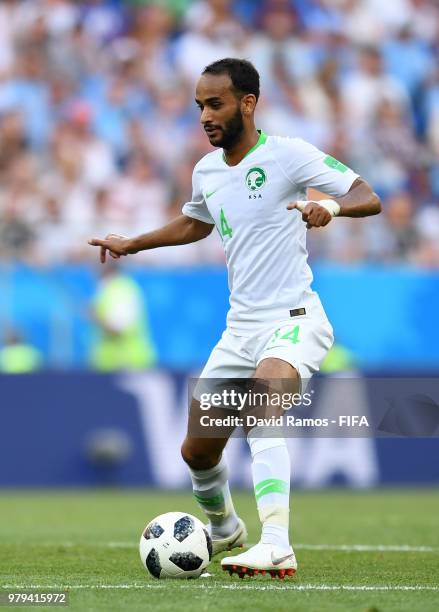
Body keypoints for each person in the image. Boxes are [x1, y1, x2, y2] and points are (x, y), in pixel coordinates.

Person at [89, 58, 381, 578]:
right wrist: (134, 242)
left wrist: (330, 209)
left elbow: (367, 195)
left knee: (261, 404)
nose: (204, 115)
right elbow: (195, 224)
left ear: (248, 103)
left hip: (294, 318)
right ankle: (225, 529)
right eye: (199, 105)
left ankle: (276, 544)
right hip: (239, 329)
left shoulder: (289, 155)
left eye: (215, 103)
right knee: (198, 452)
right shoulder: (207, 171)